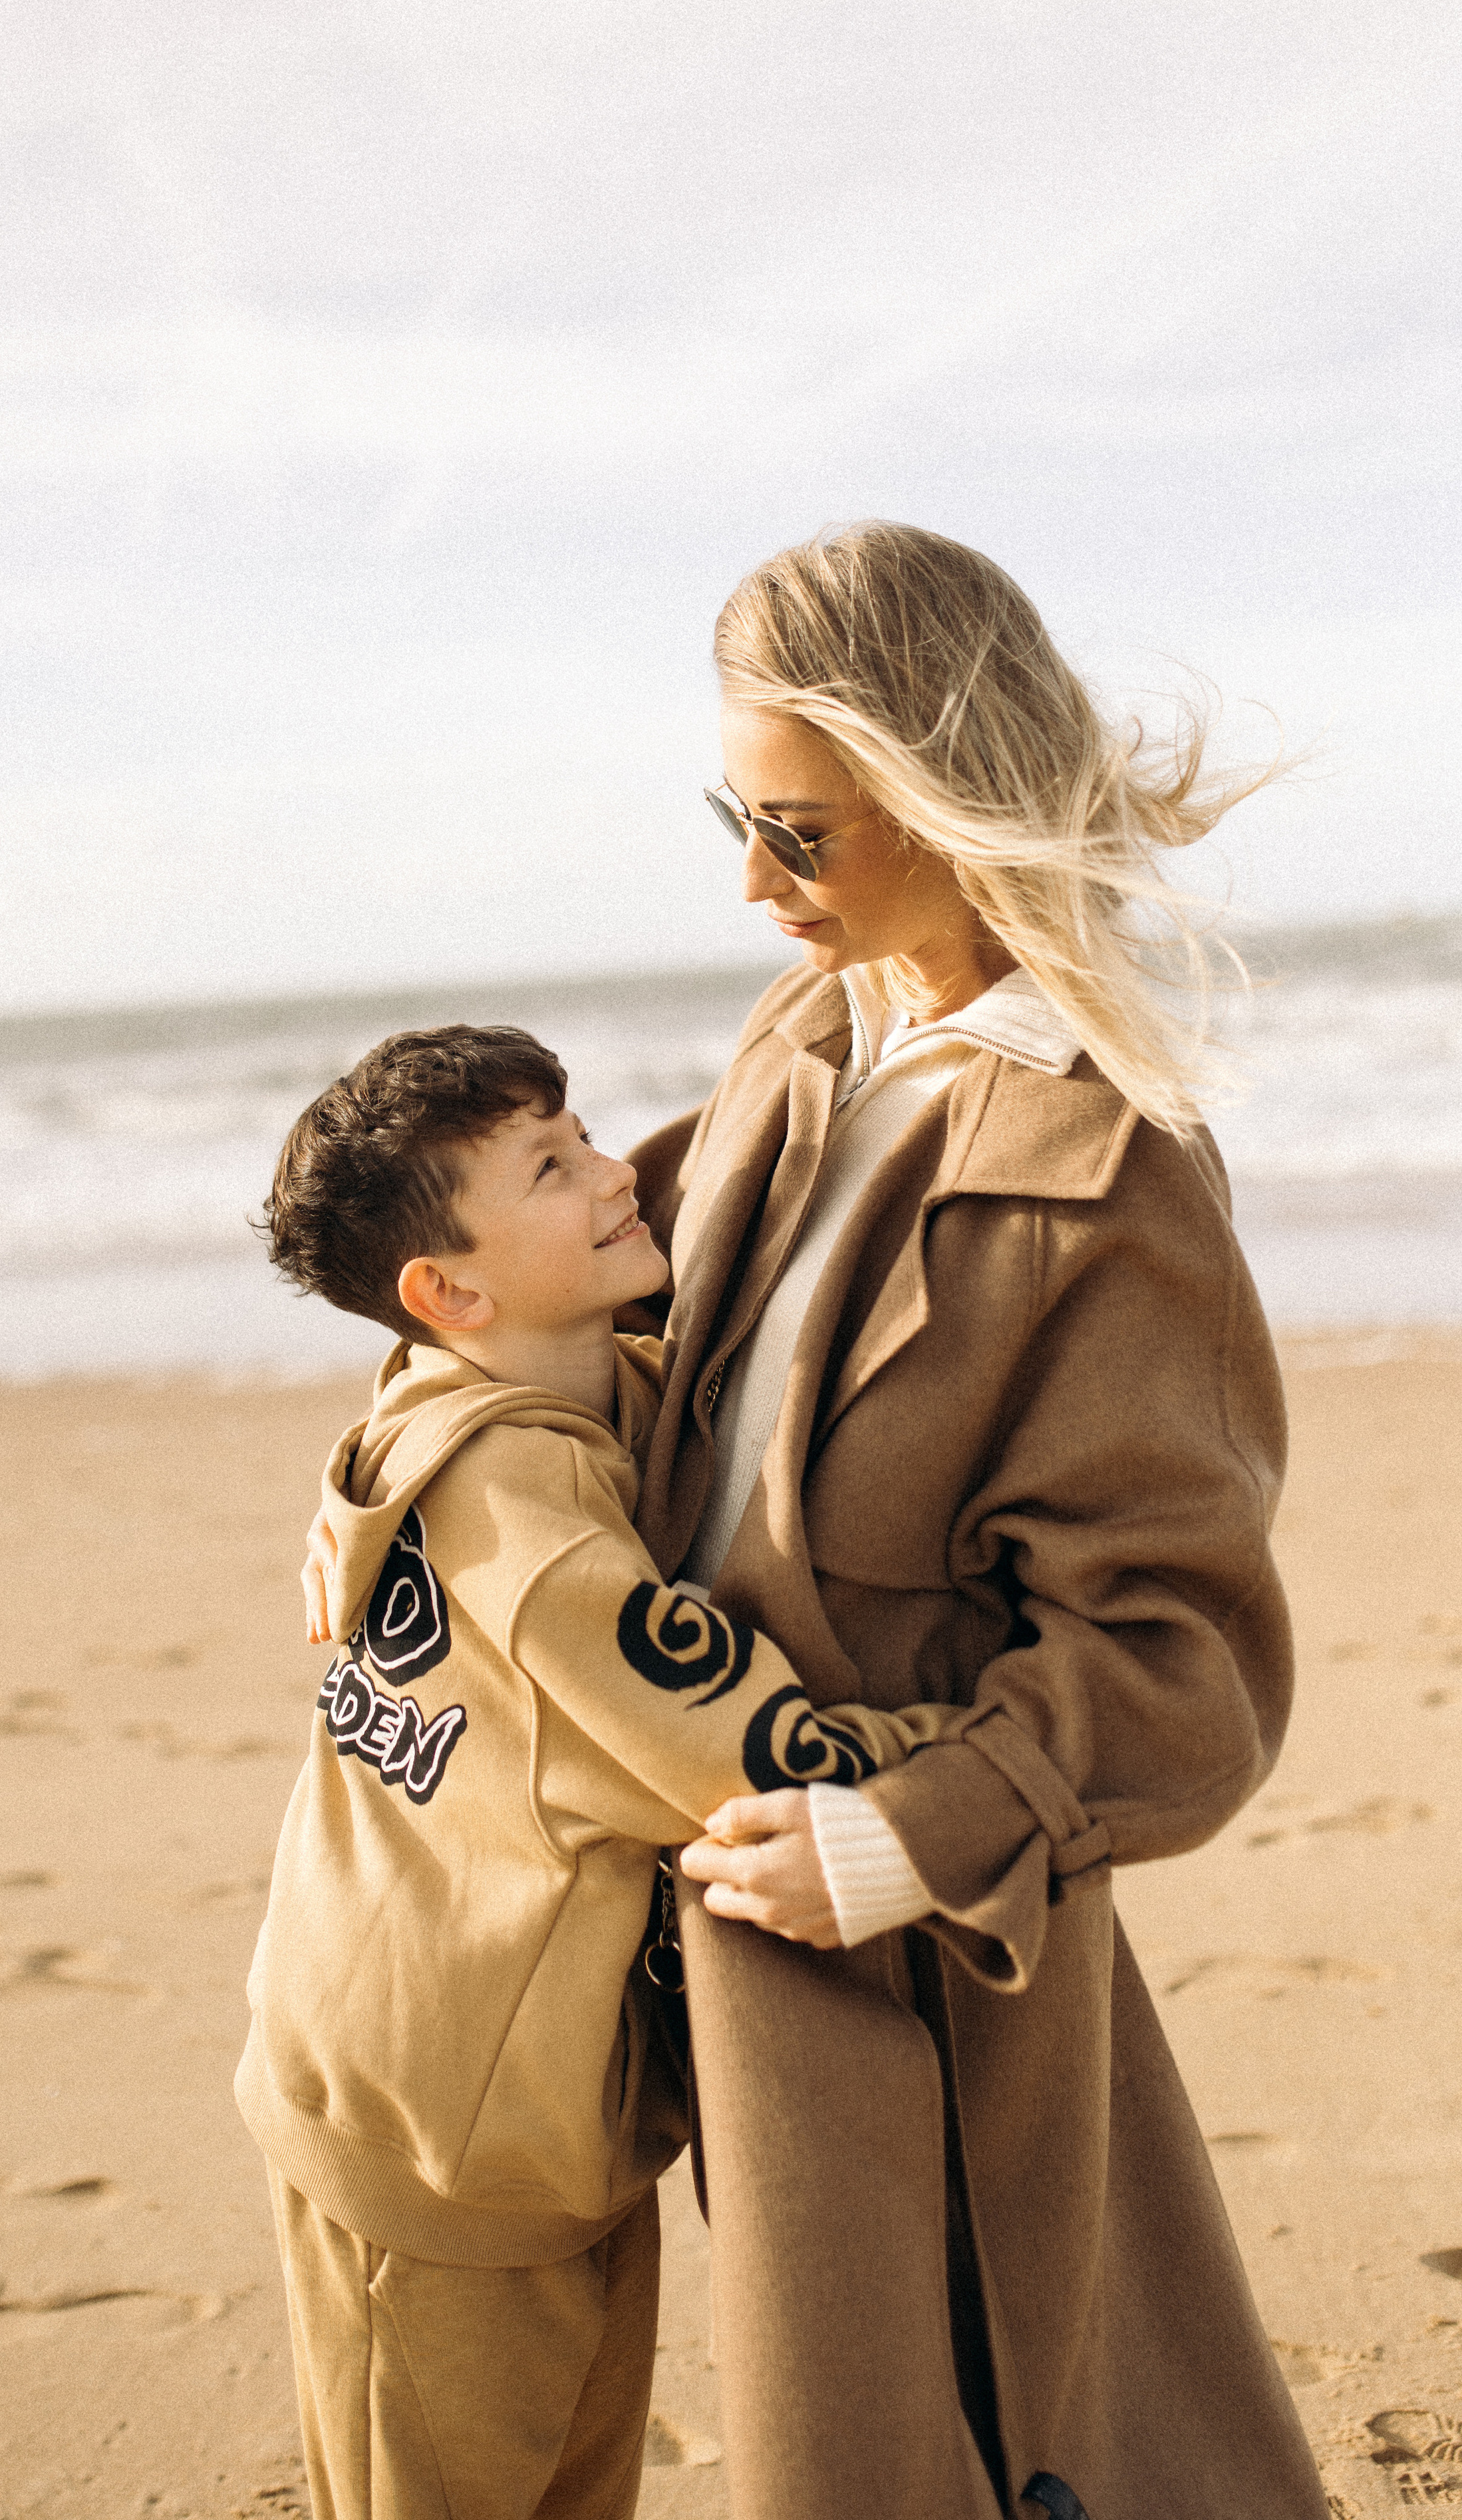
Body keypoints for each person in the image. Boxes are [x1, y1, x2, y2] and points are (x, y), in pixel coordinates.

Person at [617, 522, 1332, 2519]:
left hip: (928, 1941)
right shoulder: (806, 1047)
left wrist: (904, 1841)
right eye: (734, 818)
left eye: (802, 836)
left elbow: (1186, 1674)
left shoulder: (1111, 1166)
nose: (748, 886)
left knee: (1017, 2438)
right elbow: (615, 1325)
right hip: (722, 1887)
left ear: (948, 799)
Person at [241, 1022, 943, 2520]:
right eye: (551, 1167)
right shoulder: (530, 1524)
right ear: (453, 1291)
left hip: (499, 2102)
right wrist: (982, 1752)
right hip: (440, 2146)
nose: (619, 1171)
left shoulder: (465, 1392)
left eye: (581, 1131)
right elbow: (751, 1760)